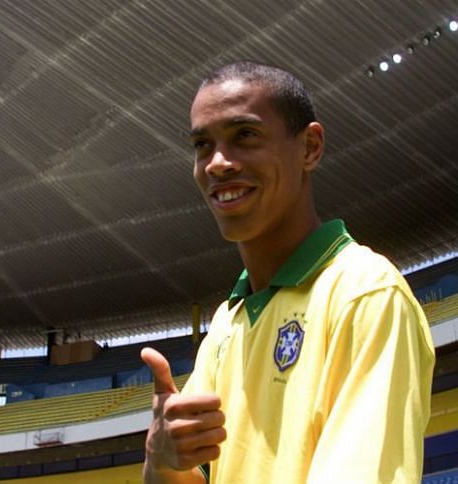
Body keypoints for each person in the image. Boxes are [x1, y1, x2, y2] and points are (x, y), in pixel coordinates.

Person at [141, 61, 435, 483]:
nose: (217, 163)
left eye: (245, 135)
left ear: (310, 147)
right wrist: (162, 461)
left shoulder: (364, 294)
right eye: (202, 145)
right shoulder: (228, 322)